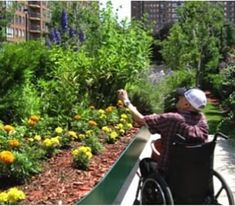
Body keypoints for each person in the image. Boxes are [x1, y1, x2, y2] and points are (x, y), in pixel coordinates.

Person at [117, 87, 208, 174]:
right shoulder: (202, 120)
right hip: (194, 172)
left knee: (145, 163)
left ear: (186, 104)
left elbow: (141, 119)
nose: (178, 98)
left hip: (169, 171)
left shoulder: (172, 119)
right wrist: (160, 118)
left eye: (181, 98)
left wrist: (126, 101)